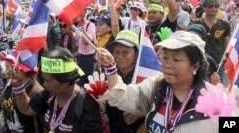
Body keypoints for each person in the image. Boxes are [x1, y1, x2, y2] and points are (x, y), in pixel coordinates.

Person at [96, 31, 227, 133]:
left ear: (195, 66)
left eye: (176, 60)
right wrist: (111, 68)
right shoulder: (156, 86)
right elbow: (122, 97)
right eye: (164, 58)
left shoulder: (217, 100)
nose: (167, 65)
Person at [12, 47, 104, 133]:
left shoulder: (86, 104)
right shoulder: (49, 94)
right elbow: (27, 109)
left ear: (66, 80)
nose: (44, 84)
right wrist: (17, 85)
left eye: (48, 81)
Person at [0, 51, 44, 133]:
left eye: (8, 68)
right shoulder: (12, 82)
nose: (6, 72)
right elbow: (2, 99)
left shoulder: (36, 93)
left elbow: (40, 127)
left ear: (21, 70)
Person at [106, 30, 145, 133]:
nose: (119, 56)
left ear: (136, 54)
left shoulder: (144, 77)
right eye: (117, 51)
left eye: (125, 52)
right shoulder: (108, 74)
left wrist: (143, 112)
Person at [194, 0, 231, 86]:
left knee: (218, 89)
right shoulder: (197, 23)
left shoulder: (225, 24)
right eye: (210, 6)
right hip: (201, 62)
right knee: (202, 88)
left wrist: (226, 58)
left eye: (216, 6)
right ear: (204, 7)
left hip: (218, 63)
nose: (213, 8)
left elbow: (227, 45)